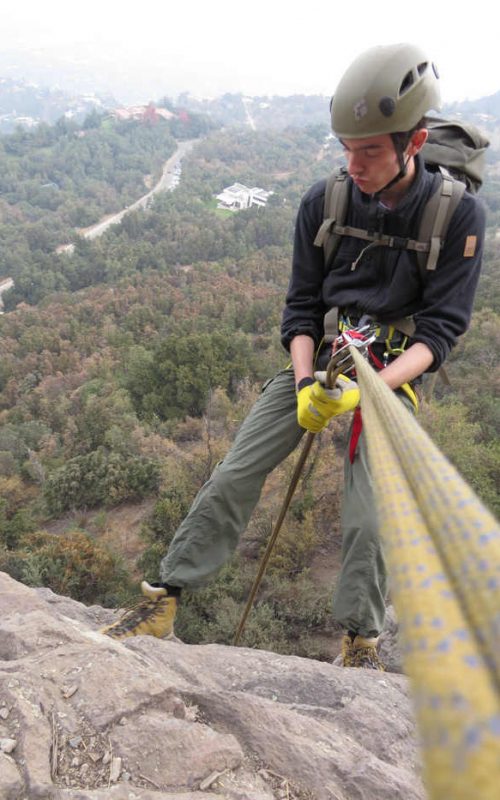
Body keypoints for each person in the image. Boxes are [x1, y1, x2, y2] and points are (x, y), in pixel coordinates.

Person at [101, 43, 485, 669]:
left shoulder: (457, 215)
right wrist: (307, 383)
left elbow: (439, 332)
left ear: (412, 143)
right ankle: (164, 599)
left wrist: (374, 389)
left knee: (367, 520)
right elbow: (302, 309)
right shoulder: (324, 202)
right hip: (327, 356)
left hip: (390, 370)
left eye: (370, 151)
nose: (354, 164)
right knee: (234, 474)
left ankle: (359, 640)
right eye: (346, 148)